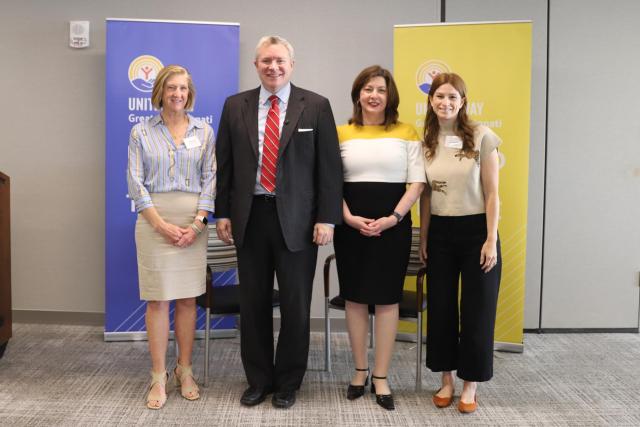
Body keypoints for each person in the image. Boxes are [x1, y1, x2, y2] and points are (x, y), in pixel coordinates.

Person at [215, 35, 343, 409]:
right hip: (250, 217)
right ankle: (258, 380)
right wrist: (222, 212)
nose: (273, 67)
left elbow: (329, 171)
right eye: (266, 61)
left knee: (295, 306)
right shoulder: (234, 105)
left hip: (300, 223)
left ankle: (288, 382)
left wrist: (327, 219)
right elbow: (225, 166)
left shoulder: (316, 106)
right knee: (252, 304)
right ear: (256, 65)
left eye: (280, 61)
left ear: (292, 64)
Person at [334, 65, 425, 411]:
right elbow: (330, 182)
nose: (374, 95)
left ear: (390, 96)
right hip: (350, 226)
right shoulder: (340, 132)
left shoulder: (406, 131)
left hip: (393, 227)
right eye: (368, 88)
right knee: (355, 298)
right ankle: (359, 372)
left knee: (387, 300)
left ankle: (381, 376)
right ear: (358, 93)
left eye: (381, 90)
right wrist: (346, 217)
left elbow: (416, 182)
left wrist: (393, 219)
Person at [127, 65, 216, 409]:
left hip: (194, 222)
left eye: (183, 88)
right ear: (160, 92)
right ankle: (158, 375)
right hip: (154, 222)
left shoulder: (204, 131)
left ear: (189, 93)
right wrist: (162, 225)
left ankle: (185, 369)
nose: (178, 94)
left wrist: (197, 224)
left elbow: (211, 179)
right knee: (158, 300)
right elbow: (136, 184)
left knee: (188, 300)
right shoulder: (141, 132)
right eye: (171, 88)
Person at [419, 72, 502, 413]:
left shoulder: (482, 136)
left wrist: (490, 239)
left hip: (476, 232)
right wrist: (423, 237)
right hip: (439, 232)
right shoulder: (426, 141)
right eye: (440, 96)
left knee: (477, 310)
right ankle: (446, 381)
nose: (446, 102)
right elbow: (424, 197)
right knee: (440, 308)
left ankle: (470, 385)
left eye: (453, 97)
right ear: (431, 100)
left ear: (463, 101)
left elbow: (493, 193)